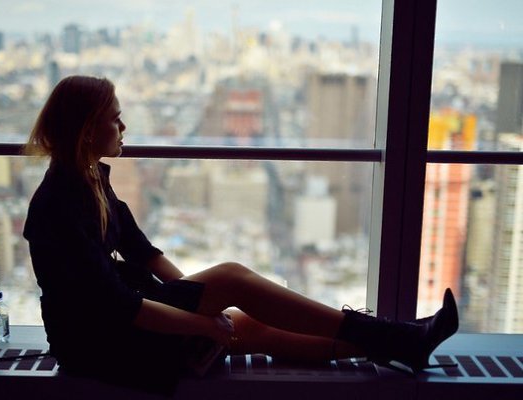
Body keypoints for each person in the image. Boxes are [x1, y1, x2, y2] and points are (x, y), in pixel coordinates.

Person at [23, 75, 459, 395]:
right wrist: (200, 319)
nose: (124, 128)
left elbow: (144, 252)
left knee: (251, 326)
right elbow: (119, 307)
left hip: (113, 323)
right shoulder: (58, 205)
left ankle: (393, 346)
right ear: (87, 131)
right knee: (232, 279)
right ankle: (392, 336)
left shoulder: (89, 180)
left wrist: (197, 300)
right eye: (115, 120)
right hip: (97, 344)